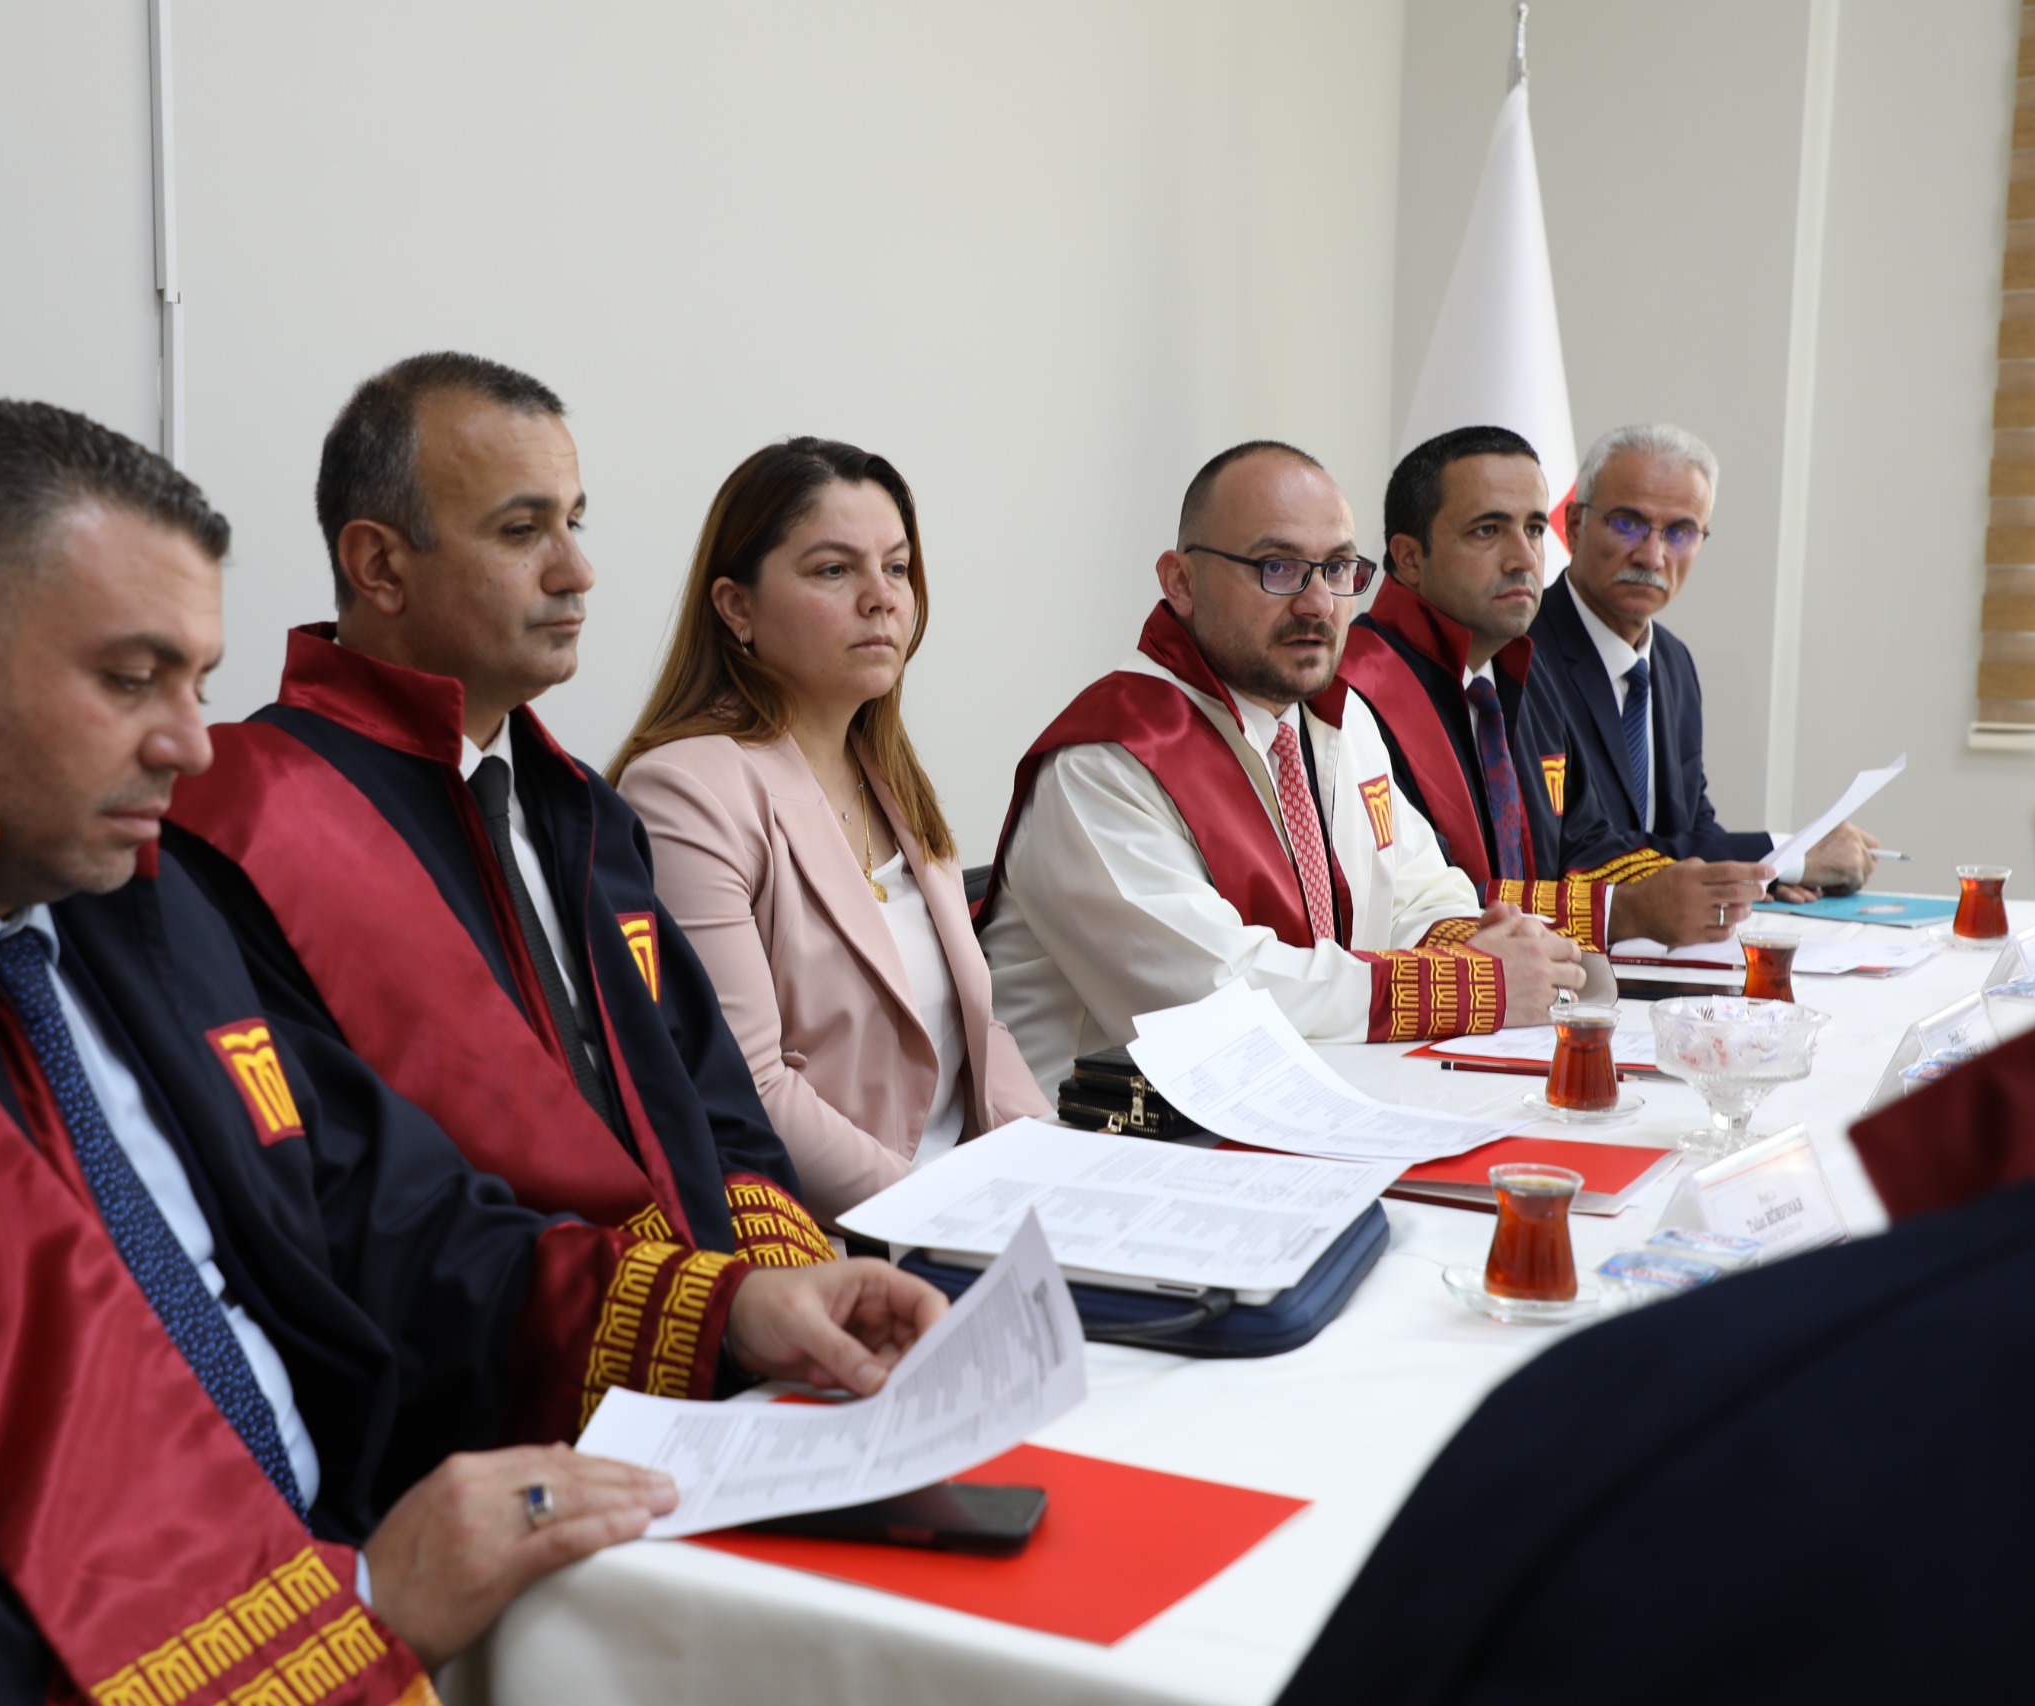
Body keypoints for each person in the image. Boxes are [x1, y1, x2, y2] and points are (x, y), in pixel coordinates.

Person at [0, 400, 946, 1701]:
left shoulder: (124, 904)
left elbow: (400, 1224)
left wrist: (734, 1307)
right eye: (130, 678)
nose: (192, 746)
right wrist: (363, 1604)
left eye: (199, 680)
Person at [1274, 685, 2035, 1703]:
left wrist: (1501, 949)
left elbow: (1463, 890)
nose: (1324, 612)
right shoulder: (1380, 690)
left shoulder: (1629, 1432)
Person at [166, 354, 832, 1270]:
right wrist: (703, 1311)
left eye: (574, 522)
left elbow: (713, 1100)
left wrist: (780, 1287)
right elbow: (343, 1189)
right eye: (523, 531)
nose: (577, 571)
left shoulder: (586, 811)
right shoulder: (242, 821)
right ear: (379, 566)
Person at [979, 440, 1587, 1093]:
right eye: (1278, 567)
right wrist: (1466, 985)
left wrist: (1478, 943)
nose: (1318, 603)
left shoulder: (1339, 721)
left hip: (1306, 1103)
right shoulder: (1105, 762)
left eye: (1338, 568)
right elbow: (1215, 998)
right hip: (1106, 1138)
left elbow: (1413, 889)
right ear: (1181, 582)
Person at [607, 438, 1049, 1222]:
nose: (882, 598)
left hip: (966, 1216)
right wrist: (946, 1215)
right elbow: (749, 1088)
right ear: (737, 607)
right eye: (834, 570)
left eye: (898, 567)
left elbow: (981, 1034)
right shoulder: (684, 788)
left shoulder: (891, 776)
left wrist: (1060, 1174)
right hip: (833, 1244)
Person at [1327, 425, 1770, 950]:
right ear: (1409, 557)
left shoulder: (1520, 667)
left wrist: (1686, 885)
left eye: (1534, 529)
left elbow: (1582, 844)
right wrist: (1622, 912)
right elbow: (1422, 900)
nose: (1525, 558)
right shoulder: (1352, 693)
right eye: (1488, 530)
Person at [1532, 422, 1879, 900]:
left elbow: (1693, 825)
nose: (1652, 556)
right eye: (1627, 523)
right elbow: (1581, 850)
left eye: (1680, 532)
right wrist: (1785, 855)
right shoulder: (1523, 654)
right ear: (1574, 525)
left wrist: (1758, 877)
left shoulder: (1672, 661)